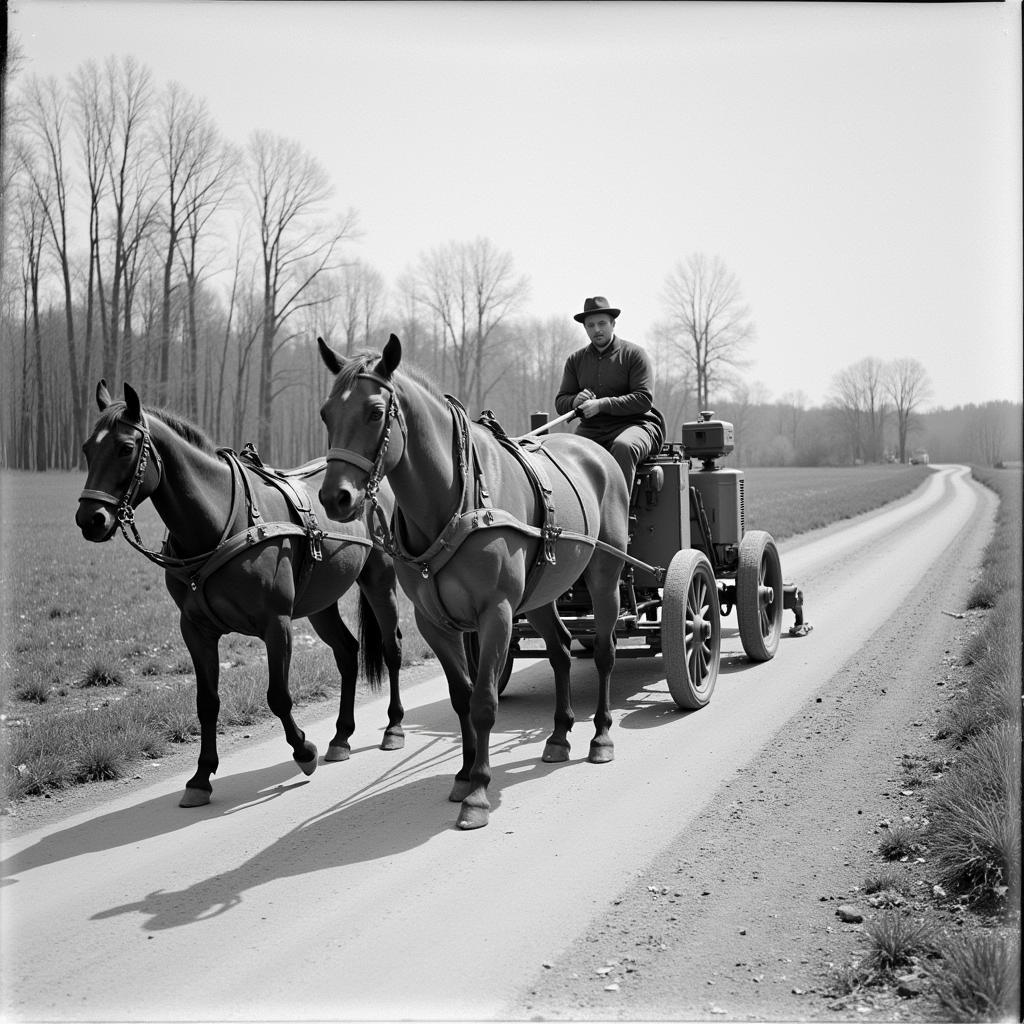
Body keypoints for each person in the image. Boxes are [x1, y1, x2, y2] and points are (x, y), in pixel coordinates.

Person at [555, 296, 665, 494]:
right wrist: (575, 401)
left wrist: (601, 405)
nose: (597, 329)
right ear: (585, 328)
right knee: (565, 451)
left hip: (637, 425)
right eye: (590, 325)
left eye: (602, 323)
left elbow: (644, 399)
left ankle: (619, 517)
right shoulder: (575, 360)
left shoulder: (635, 354)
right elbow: (561, 402)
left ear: (613, 323)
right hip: (592, 429)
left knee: (623, 446)